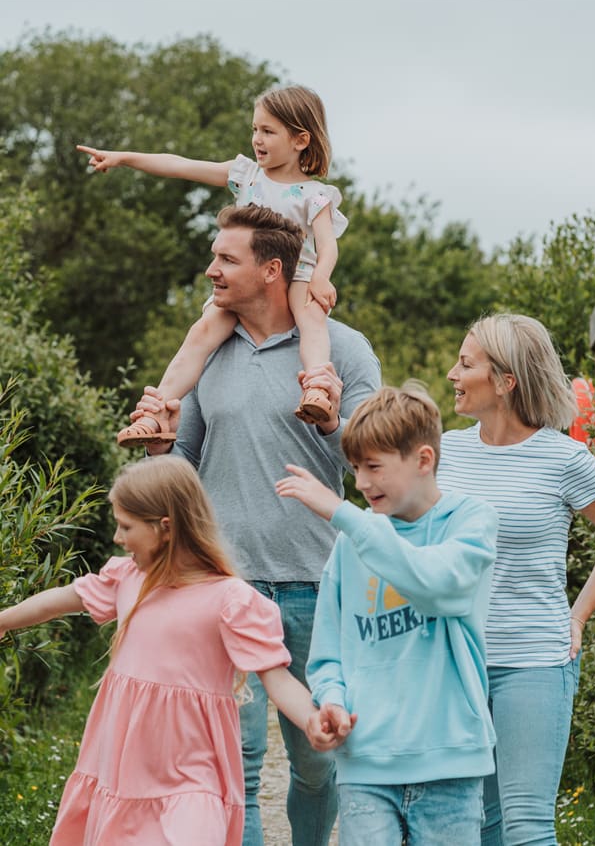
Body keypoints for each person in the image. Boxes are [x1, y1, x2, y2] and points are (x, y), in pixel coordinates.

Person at [132, 203, 381, 846]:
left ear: (273, 270)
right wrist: (159, 442)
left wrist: (329, 419)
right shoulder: (210, 351)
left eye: (226, 259)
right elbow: (184, 459)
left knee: (316, 761)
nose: (210, 268)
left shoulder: (343, 349)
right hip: (224, 585)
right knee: (230, 763)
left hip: (316, 583)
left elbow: (377, 458)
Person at [0, 456, 350, 845]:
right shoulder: (128, 578)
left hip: (192, 774)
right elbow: (65, 598)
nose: (117, 537)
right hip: (124, 768)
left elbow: (277, 678)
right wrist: (4, 620)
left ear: (165, 528)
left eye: (126, 526)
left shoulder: (231, 600)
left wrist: (311, 719)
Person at [276, 384, 499, 846]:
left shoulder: (472, 521)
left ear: (423, 460)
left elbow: (438, 587)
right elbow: (328, 653)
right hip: (365, 763)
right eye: (355, 467)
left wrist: (345, 516)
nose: (360, 483)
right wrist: (332, 702)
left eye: (374, 466)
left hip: (449, 761)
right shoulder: (349, 543)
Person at [437, 313, 595, 846]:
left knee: (526, 828)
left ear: (505, 381)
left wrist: (578, 614)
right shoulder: (446, 450)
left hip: (534, 662)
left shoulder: (563, 458)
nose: (452, 373)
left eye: (466, 363)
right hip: (455, 662)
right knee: (476, 825)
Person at [77, 84, 347, 437]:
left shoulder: (314, 195)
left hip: (295, 277)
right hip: (242, 281)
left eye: (267, 131)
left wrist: (321, 278)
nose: (257, 139)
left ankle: (316, 389)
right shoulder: (246, 175)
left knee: (311, 319)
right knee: (201, 332)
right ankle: (156, 411)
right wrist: (124, 158)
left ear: (300, 140)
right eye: (255, 129)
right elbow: (180, 165)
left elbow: (328, 245)